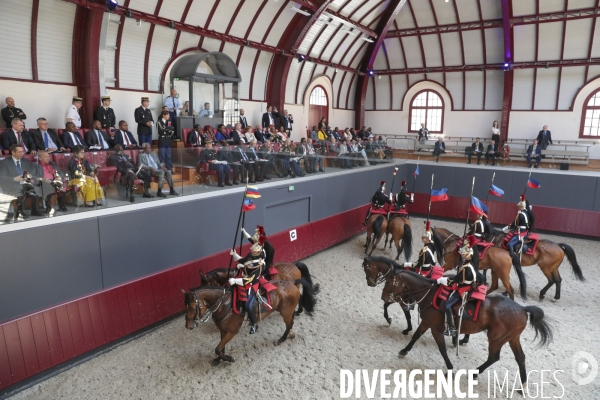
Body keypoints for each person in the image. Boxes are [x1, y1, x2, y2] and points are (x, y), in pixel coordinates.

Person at [436, 238, 478, 337]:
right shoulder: (469, 264)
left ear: (467, 255)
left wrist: (444, 280)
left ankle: (452, 328)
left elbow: (458, 280)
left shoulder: (466, 268)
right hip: (467, 285)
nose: (461, 255)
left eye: (463, 254)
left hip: (464, 290)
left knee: (447, 305)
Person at [229, 236, 267, 334]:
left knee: (248, 305)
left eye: (254, 251)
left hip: (252, 284)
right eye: (252, 250)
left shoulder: (260, 265)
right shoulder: (250, 255)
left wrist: (235, 281)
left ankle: (254, 323)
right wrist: (235, 254)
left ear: (258, 252)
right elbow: (243, 260)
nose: (252, 251)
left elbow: (249, 280)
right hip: (242, 277)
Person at [0, 145, 45, 218]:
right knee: (20, 189)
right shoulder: (5, 162)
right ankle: (21, 210)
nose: (22, 153)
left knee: (36, 187)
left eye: (23, 152)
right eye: (19, 152)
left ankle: (35, 209)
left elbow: (29, 173)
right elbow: (1, 177)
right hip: (12, 184)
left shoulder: (25, 161)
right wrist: (14, 179)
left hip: (25, 183)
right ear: (13, 152)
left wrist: (33, 178)